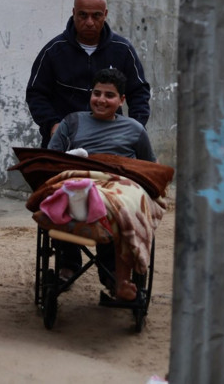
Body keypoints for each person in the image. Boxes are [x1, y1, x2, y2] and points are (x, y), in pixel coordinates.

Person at [47, 68, 156, 301]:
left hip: (118, 187)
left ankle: (115, 276)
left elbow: (149, 169)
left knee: (124, 205)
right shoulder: (72, 122)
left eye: (109, 95)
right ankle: (68, 266)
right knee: (67, 193)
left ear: (121, 100)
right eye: (97, 93)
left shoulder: (135, 130)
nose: (101, 100)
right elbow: (52, 160)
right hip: (80, 186)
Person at [26, 0, 151, 149]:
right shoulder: (54, 51)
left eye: (96, 15)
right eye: (83, 15)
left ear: (105, 14)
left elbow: (139, 92)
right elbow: (36, 93)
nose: (90, 22)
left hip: (110, 142)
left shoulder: (122, 50)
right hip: (64, 141)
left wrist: (134, 128)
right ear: (74, 13)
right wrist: (52, 124)